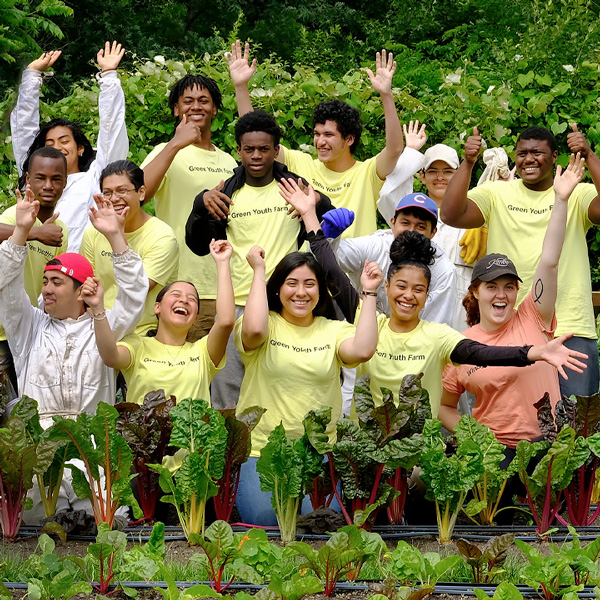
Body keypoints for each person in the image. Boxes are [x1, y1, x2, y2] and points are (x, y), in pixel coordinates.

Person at [279, 178, 588, 415]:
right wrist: (311, 216)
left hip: (417, 427)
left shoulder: (436, 332)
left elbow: (480, 353)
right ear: (386, 287)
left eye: (418, 290)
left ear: (428, 294)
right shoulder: (368, 319)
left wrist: (534, 352)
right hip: (368, 432)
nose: (408, 296)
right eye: (400, 286)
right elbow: (331, 269)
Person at [186, 110, 332, 409]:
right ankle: (230, 454)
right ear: (238, 150)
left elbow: (327, 218)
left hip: (284, 305)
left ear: (276, 150)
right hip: (237, 304)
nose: (256, 156)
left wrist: (317, 200)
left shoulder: (293, 187)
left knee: (286, 384)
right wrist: (199, 203)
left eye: (264, 149)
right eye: (248, 149)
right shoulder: (226, 191)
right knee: (228, 388)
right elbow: (198, 244)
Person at [439, 154, 587, 447]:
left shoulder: (532, 316)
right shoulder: (460, 345)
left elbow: (550, 260)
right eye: (491, 287)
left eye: (509, 287)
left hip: (546, 450)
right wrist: (476, 440)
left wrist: (560, 200)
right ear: (475, 292)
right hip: (493, 462)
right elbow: (445, 407)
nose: (501, 295)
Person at [441, 125, 600, 397]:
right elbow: (451, 214)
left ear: (555, 157)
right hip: (509, 328)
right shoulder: (496, 193)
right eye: (522, 153)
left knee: (578, 428)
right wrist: (467, 164)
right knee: (521, 427)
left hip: (571, 327)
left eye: (537, 152)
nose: (528, 159)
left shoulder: (576, 192)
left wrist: (589, 154)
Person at [234, 245, 381, 524]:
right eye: (291, 283)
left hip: (318, 454)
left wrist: (370, 292)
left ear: (320, 291)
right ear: (277, 289)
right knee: (267, 521)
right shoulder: (264, 324)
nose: (301, 292)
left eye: (309, 284)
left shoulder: (333, 329)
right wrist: (259, 270)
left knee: (320, 522)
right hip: (262, 451)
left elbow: (362, 350)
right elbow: (253, 331)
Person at [224, 41, 403, 238]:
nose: (320, 141)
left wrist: (386, 95)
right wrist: (240, 87)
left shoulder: (367, 172)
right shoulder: (302, 163)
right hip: (312, 266)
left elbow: (394, 149)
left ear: (349, 139)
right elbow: (255, 135)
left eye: (328, 135)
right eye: (317, 134)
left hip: (359, 267)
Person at [0, 191, 146, 429]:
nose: (46, 289)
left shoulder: (104, 327)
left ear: (81, 292)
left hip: (92, 451)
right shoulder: (29, 327)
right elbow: (5, 285)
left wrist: (115, 236)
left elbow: (134, 294)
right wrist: (20, 231)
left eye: (57, 283)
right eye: (45, 281)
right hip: (40, 450)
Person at [141, 72, 237, 341]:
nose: (196, 106)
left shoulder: (229, 160)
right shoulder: (165, 151)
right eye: (188, 101)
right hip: (179, 285)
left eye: (204, 100)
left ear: (215, 108)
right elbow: (139, 195)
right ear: (176, 109)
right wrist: (175, 143)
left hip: (225, 288)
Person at [10, 42, 128, 252]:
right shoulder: (34, 179)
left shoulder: (93, 180)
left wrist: (109, 76)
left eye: (64, 141)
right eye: (50, 143)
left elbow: (111, 134)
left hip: (77, 277)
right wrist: (31, 76)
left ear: (81, 148)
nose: (57, 147)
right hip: (34, 272)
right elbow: (23, 133)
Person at [92, 240, 234, 405]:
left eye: (192, 299)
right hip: (145, 431)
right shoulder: (138, 344)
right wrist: (97, 309)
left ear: (195, 318)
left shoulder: (203, 352)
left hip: (193, 431)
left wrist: (223, 263)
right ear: (157, 307)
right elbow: (110, 357)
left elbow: (225, 321)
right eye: (176, 294)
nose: (184, 300)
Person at [327, 192, 456, 326]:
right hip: (358, 330)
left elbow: (436, 326)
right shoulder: (376, 245)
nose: (411, 231)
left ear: (433, 232)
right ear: (393, 223)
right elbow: (330, 260)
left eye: (421, 226)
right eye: (405, 223)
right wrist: (327, 238)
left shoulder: (444, 271)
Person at [80, 160, 179, 335]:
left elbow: (135, 291)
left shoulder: (162, 236)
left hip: (142, 332)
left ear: (141, 193)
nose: (114, 199)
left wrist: (115, 234)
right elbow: (84, 287)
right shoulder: (93, 233)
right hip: (98, 326)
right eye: (107, 193)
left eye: (122, 191)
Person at [0, 147, 69, 396]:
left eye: (56, 178)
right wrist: (36, 233)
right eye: (40, 178)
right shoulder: (13, 216)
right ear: (28, 179)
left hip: (31, 331)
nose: (48, 185)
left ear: (65, 182)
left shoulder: (60, 229)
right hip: (2, 335)